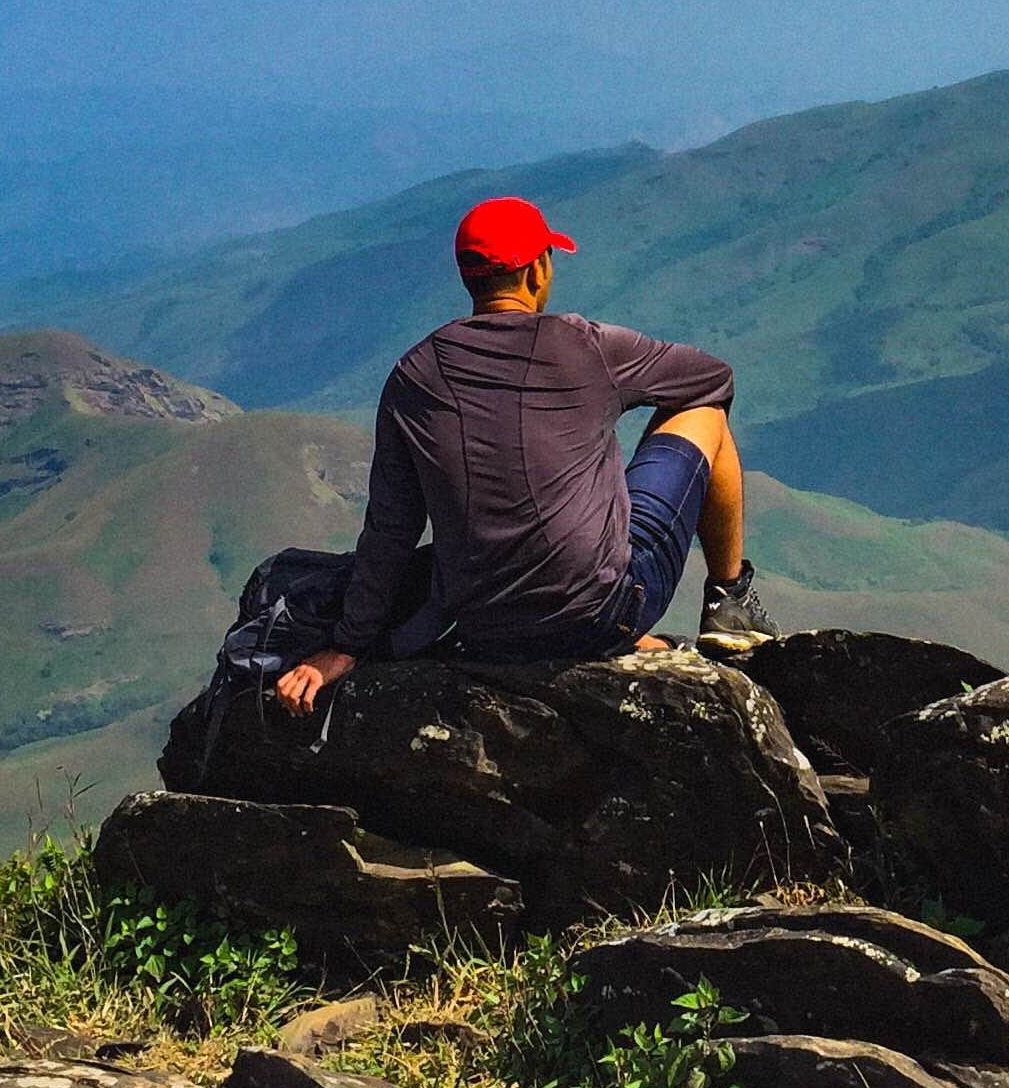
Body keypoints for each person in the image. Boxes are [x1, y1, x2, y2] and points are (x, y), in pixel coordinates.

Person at [271, 193, 772, 713]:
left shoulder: (414, 375)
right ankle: (729, 600)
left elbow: (391, 530)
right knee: (705, 414)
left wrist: (347, 645)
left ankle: (606, 628)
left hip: (484, 627)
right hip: (601, 612)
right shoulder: (588, 346)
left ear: (469, 278)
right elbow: (713, 379)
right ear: (537, 272)